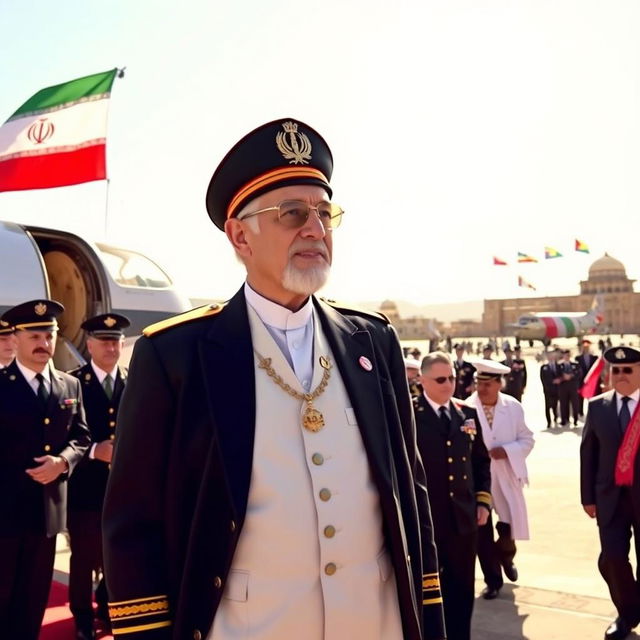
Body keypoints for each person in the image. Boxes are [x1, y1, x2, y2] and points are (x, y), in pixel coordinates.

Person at [103, 118, 445, 640]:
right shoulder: (175, 355)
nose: (316, 229)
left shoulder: (372, 342)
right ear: (240, 235)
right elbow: (134, 522)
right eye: (292, 214)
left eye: (324, 213)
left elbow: (409, 495)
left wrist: (430, 615)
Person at [0, 299, 91, 640]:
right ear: (17, 339)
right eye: (34, 335)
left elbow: (82, 438)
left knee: (34, 599)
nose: (43, 343)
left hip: (47, 514)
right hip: (5, 513)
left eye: (49, 335)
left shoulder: (69, 386)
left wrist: (63, 462)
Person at [415, 352, 491, 640]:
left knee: (461, 589)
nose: (448, 384)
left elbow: (481, 462)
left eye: (452, 378)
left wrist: (483, 501)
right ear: (423, 381)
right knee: (430, 592)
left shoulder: (466, 414)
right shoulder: (410, 415)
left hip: (463, 519)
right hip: (429, 521)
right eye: (440, 379)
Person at [67, 313, 130, 639]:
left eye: (115, 341)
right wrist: (94, 450)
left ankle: (108, 608)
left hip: (121, 490)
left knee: (115, 555)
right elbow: (66, 436)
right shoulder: (74, 383)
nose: (110, 347)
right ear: (89, 344)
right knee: (83, 556)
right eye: (103, 341)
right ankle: (81, 617)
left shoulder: (135, 381)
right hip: (86, 488)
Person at [580, 346, 640, 640]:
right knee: (613, 558)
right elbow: (588, 454)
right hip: (610, 499)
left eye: (627, 370)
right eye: (615, 370)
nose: (621, 375)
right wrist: (587, 497)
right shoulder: (598, 406)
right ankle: (627, 612)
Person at [466, 360, 534, 599]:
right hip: (478, 479)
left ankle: (506, 556)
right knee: (482, 532)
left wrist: (507, 450)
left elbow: (528, 439)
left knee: (508, 528)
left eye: (487, 384)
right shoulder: (465, 409)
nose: (481, 389)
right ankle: (493, 580)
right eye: (478, 384)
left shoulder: (513, 407)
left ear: (498, 384)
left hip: (506, 474)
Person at [575, 339, 600, 416]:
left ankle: (592, 411)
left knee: (592, 397)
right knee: (580, 398)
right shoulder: (578, 358)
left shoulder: (594, 358)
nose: (585, 348)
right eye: (584, 347)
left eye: (587, 347)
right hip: (581, 381)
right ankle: (580, 412)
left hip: (591, 382)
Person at [540, 350, 562, 428]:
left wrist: (559, 380)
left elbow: (561, 376)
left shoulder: (558, 366)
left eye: (553, 356)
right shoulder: (543, 367)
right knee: (547, 406)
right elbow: (543, 379)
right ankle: (548, 421)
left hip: (556, 390)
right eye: (550, 356)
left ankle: (556, 418)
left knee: (555, 405)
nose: (551, 357)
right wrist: (551, 383)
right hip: (548, 390)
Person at [558, 349, 581, 426]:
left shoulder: (575, 364)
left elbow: (579, 374)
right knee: (563, 404)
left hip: (573, 387)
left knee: (575, 404)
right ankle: (564, 419)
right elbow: (556, 375)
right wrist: (563, 377)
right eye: (565, 355)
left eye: (568, 355)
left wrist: (571, 376)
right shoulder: (559, 366)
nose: (566, 357)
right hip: (563, 387)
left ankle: (575, 419)